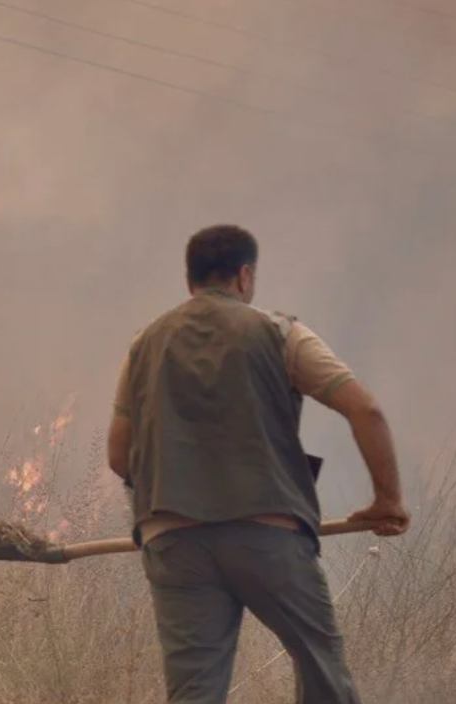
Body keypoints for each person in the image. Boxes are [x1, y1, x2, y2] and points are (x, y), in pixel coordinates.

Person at [106, 224, 410, 703]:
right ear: (245, 276)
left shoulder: (143, 346)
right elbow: (364, 410)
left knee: (194, 691)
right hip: (266, 534)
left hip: (173, 540)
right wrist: (387, 500)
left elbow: (118, 456)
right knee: (319, 665)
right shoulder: (280, 333)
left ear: (191, 282)